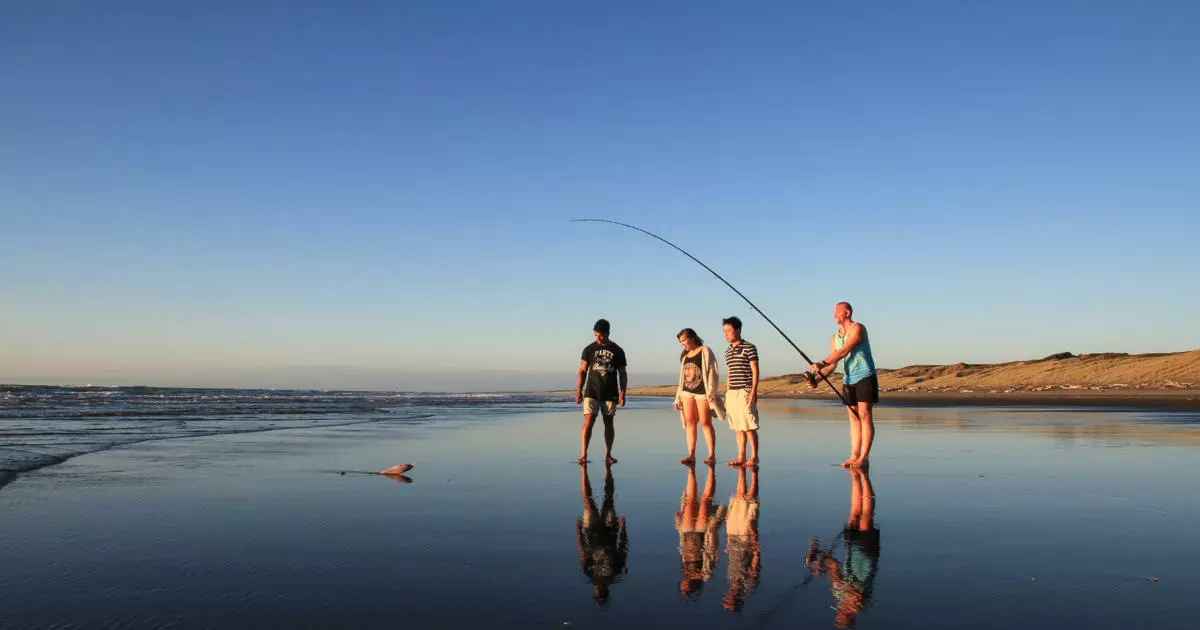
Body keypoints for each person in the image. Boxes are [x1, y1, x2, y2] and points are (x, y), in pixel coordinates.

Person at [805, 467, 879, 628]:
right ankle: (864, 478)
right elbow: (856, 593)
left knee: (854, 513)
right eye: (840, 618)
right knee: (866, 516)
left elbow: (834, 567)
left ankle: (857, 477)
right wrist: (833, 576)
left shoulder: (838, 596)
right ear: (848, 619)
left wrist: (819, 560)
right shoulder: (860, 606)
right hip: (866, 556)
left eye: (837, 617)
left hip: (851, 550)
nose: (838, 613)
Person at [810, 302, 878, 468]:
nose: (834, 315)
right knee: (854, 418)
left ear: (847, 313)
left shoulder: (858, 329)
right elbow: (832, 366)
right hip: (848, 380)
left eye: (837, 312)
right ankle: (854, 455)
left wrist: (822, 362)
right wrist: (816, 379)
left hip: (865, 376)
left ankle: (864, 456)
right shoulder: (834, 338)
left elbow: (844, 351)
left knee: (864, 415)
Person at [576, 319, 628, 465]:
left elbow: (623, 374)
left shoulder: (617, 350)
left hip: (610, 392)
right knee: (588, 423)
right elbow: (582, 371)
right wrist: (579, 391)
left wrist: (623, 394)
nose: (598, 338)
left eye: (601, 336)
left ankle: (608, 455)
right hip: (592, 391)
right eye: (596, 335)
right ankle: (583, 454)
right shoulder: (589, 349)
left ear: (608, 333)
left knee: (609, 422)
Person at [576, 463, 629, 604]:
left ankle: (584, 471)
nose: (598, 591)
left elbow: (582, 552)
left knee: (587, 500)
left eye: (597, 593)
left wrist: (579, 531)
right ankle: (608, 470)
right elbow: (623, 549)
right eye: (601, 593)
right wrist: (623, 528)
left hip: (590, 530)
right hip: (610, 529)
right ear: (606, 592)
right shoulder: (615, 572)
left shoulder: (589, 574)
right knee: (609, 498)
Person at [673, 328, 726, 465]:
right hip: (687, 392)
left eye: (684, 340)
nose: (682, 343)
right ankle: (691, 455)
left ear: (692, 337)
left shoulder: (705, 351)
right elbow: (682, 379)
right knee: (690, 423)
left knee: (705, 423)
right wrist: (677, 398)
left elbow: (713, 372)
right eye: (680, 341)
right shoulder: (685, 356)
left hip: (702, 393)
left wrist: (711, 392)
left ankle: (711, 455)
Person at [674, 462, 725, 598]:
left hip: (687, 532)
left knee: (690, 500)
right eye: (685, 587)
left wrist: (678, 524)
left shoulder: (684, 564)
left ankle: (691, 470)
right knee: (705, 501)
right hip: (703, 532)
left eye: (682, 585)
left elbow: (682, 544)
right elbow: (712, 551)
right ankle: (711, 470)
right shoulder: (705, 572)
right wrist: (712, 529)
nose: (684, 583)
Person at [722, 316, 760, 466]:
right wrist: (727, 393)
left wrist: (753, 392)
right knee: (737, 426)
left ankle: (754, 457)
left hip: (745, 390)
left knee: (749, 425)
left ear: (737, 330)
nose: (725, 334)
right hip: (732, 391)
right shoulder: (727, 351)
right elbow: (730, 372)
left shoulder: (749, 347)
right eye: (724, 331)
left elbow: (755, 371)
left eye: (728, 331)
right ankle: (741, 456)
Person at [722, 464, 761, 612]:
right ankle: (754, 474)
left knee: (738, 501)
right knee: (750, 505)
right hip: (746, 540)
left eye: (726, 599)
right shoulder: (749, 584)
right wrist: (755, 545)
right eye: (729, 600)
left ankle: (743, 472)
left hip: (733, 536)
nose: (727, 596)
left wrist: (728, 541)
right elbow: (755, 566)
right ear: (737, 599)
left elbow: (731, 559)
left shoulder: (731, 578)